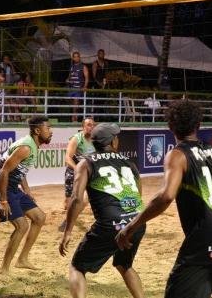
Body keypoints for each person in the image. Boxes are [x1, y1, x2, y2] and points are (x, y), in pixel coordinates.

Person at [117, 100, 212, 298]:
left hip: (203, 244)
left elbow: (166, 197)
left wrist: (132, 226)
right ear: (198, 125)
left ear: (170, 126)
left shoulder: (178, 155)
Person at [59, 123, 145, 298]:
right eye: (116, 137)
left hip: (110, 225)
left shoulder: (86, 163)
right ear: (113, 142)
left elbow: (76, 199)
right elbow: (138, 195)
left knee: (77, 267)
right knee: (124, 265)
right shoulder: (129, 162)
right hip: (136, 222)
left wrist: (68, 231)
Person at [0, 116, 52, 274]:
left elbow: (20, 170)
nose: (51, 131)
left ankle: (22, 260)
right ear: (37, 131)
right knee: (22, 226)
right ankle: (4, 269)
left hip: (13, 187)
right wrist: (3, 200)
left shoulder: (33, 145)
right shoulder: (26, 147)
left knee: (39, 218)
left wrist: (27, 190)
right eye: (48, 128)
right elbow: (4, 171)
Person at [59, 117, 96, 231]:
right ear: (83, 127)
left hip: (88, 172)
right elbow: (68, 158)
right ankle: (67, 205)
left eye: (93, 125)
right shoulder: (76, 139)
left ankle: (67, 221)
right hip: (73, 171)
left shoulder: (96, 140)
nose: (91, 127)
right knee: (69, 202)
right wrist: (77, 170)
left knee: (83, 199)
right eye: (89, 125)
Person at [66, 52, 89, 122]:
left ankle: (74, 117)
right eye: (75, 57)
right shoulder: (72, 67)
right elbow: (69, 77)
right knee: (72, 104)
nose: (76, 58)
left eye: (77, 56)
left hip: (78, 88)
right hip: (71, 88)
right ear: (73, 58)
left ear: (79, 57)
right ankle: (75, 116)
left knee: (76, 102)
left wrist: (85, 86)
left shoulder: (83, 66)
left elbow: (87, 77)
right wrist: (67, 80)